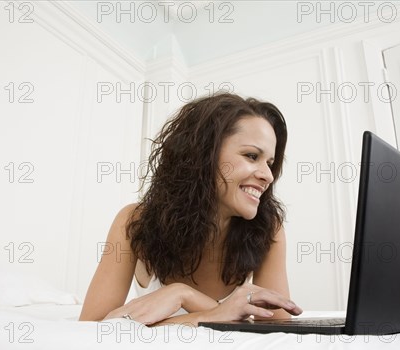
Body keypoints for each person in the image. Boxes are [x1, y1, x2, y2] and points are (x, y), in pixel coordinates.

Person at [79, 92, 303, 326]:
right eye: (251, 156)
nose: (268, 175)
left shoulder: (268, 229)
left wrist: (184, 296)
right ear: (204, 155)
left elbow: (276, 329)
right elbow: (92, 326)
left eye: (269, 163)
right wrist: (208, 312)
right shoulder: (134, 221)